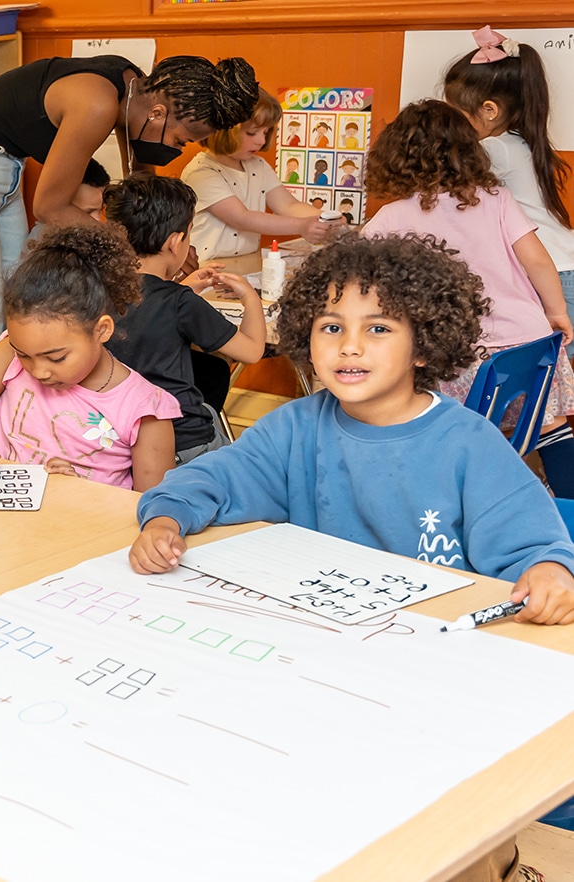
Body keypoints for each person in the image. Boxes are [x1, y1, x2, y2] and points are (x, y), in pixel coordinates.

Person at [127, 233, 574, 882]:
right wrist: (166, 515)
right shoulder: (293, 428)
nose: (350, 345)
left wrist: (547, 573)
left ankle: (500, 862)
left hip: (439, 681)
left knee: (454, 827)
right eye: (332, 325)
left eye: (379, 327)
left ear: (425, 342)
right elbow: (214, 481)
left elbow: (533, 544)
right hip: (328, 668)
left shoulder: (466, 443)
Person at [0, 53, 258, 396]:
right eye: (180, 140)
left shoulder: (132, 89)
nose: (177, 150)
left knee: (15, 307)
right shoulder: (98, 102)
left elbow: (140, 185)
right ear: (158, 113)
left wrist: (164, 240)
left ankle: (4, 434)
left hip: (1, 169)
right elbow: (49, 207)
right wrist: (136, 251)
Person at [361, 99, 574, 496]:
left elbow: (357, 276)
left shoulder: (392, 217)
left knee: (438, 421)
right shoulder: (494, 198)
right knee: (549, 427)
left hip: (460, 357)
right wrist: (557, 312)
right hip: (529, 345)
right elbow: (539, 262)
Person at [0, 224, 180, 491]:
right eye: (25, 355)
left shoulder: (145, 410)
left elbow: (152, 510)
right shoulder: (8, 355)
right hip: (4, 523)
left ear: (101, 329)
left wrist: (80, 495)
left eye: (56, 358)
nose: (39, 371)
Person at [103, 173, 268, 464]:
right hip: (183, 440)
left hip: (114, 434)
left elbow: (148, 310)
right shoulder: (180, 303)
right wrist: (250, 298)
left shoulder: (97, 288)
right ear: (176, 241)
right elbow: (252, 350)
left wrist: (182, 288)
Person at [444, 26, 574, 356]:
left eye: (455, 112)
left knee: (535, 379)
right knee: (546, 380)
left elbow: (445, 189)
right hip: (563, 267)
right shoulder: (520, 141)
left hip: (549, 275)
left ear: (489, 110)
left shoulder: (493, 149)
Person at [181, 92, 341, 260]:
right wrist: (302, 226)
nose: (261, 141)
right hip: (206, 266)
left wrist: (326, 220)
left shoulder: (258, 165)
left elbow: (288, 205)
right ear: (225, 131)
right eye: (252, 133)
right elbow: (241, 218)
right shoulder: (201, 173)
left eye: (265, 132)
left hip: (245, 262)